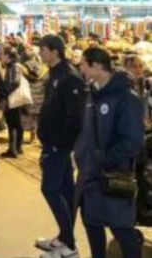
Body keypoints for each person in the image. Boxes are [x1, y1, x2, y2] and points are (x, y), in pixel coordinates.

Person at [75, 47, 144, 258]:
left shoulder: (127, 97)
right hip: (89, 174)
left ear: (97, 66)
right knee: (92, 224)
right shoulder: (92, 94)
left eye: (84, 65)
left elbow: (132, 140)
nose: (81, 70)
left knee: (121, 229)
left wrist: (106, 160)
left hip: (113, 176)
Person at [35, 35, 85, 258]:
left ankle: (70, 245)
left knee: (51, 189)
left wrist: (58, 143)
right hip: (53, 142)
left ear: (55, 51)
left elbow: (74, 117)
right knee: (65, 191)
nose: (40, 53)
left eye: (43, 49)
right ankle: (64, 239)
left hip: (59, 145)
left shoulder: (70, 77)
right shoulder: (55, 73)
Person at [0, 46, 25, 158]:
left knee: (14, 124)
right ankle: (15, 148)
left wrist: (5, 93)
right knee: (14, 124)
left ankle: (15, 149)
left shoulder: (14, 66)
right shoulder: (12, 65)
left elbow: (15, 82)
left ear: (8, 56)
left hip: (13, 99)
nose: (0, 56)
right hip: (12, 98)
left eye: (2, 54)